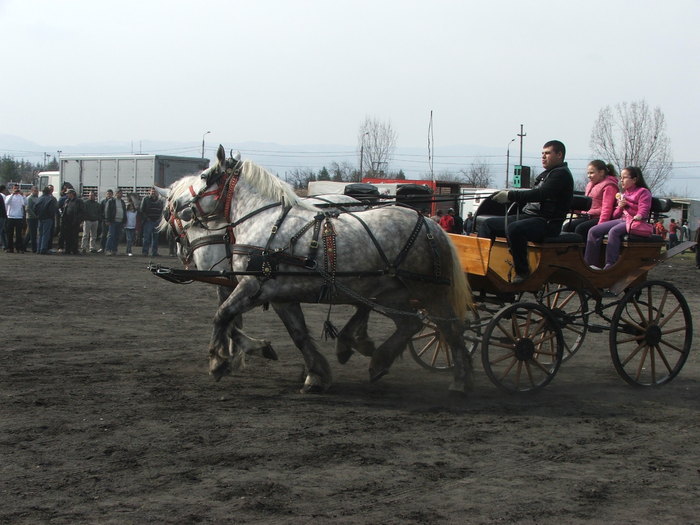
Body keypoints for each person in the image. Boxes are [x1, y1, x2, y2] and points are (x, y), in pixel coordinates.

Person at [478, 140, 574, 284]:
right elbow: (533, 194)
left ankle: (523, 272)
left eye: (547, 153)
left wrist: (510, 195)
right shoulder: (548, 173)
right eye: (542, 153)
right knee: (488, 224)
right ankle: (480, 267)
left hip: (547, 222)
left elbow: (541, 194)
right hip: (531, 217)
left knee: (515, 228)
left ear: (559, 155)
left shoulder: (561, 175)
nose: (543, 157)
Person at [584, 166, 652, 270]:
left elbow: (644, 209)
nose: (621, 180)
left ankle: (610, 265)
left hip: (634, 221)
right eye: (621, 178)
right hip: (622, 220)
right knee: (593, 231)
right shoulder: (623, 194)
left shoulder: (643, 192)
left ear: (634, 179)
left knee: (614, 231)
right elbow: (615, 215)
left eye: (624, 178)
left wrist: (638, 215)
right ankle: (590, 264)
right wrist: (620, 207)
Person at [562, 160, 618, 238]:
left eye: (591, 173)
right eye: (588, 173)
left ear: (601, 172)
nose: (589, 176)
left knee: (580, 229)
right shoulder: (590, 185)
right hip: (586, 216)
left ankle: (582, 249)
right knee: (567, 227)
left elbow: (607, 208)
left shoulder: (609, 186)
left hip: (598, 218)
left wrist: (601, 226)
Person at [140, 187, 164, 257]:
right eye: (152, 191)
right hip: (148, 221)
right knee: (146, 237)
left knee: (155, 238)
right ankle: (145, 252)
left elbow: (162, 210)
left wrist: (159, 219)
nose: (153, 193)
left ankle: (154, 252)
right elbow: (142, 210)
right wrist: (147, 218)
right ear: (149, 192)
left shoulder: (160, 200)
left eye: (155, 192)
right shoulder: (146, 199)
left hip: (157, 221)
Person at [4, 183, 27, 253]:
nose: (16, 190)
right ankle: (10, 248)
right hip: (10, 217)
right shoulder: (9, 196)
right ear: (12, 189)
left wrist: (23, 195)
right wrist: (12, 194)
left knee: (18, 234)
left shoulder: (21, 197)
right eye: (15, 188)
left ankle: (19, 248)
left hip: (19, 217)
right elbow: (7, 202)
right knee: (10, 234)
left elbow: (25, 203)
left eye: (17, 188)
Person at [35, 186, 58, 254]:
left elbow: (35, 208)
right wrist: (51, 216)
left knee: (40, 234)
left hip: (40, 218)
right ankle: (43, 248)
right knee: (46, 234)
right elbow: (53, 209)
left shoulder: (39, 198)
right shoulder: (51, 198)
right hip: (48, 218)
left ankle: (38, 249)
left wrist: (37, 215)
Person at [61, 188, 84, 255]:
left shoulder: (79, 201)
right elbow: (64, 210)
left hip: (75, 221)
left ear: (72, 194)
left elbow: (82, 211)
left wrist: (80, 220)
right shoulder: (67, 201)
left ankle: (74, 250)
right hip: (67, 221)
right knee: (67, 236)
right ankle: (67, 249)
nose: (67, 195)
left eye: (68, 193)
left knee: (74, 236)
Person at [104, 189, 126, 255]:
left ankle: (114, 250)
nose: (120, 194)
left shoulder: (122, 202)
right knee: (111, 236)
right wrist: (107, 220)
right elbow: (107, 211)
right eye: (119, 193)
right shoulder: (111, 201)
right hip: (112, 221)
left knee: (117, 236)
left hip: (120, 222)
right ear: (116, 194)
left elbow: (124, 211)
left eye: (121, 193)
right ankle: (108, 250)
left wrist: (124, 221)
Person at [24, 186, 39, 252]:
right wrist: (35, 215)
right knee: (33, 233)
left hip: (35, 217)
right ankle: (34, 248)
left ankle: (23, 246)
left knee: (30, 233)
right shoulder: (29, 198)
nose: (36, 192)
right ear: (32, 191)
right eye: (35, 191)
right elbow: (28, 208)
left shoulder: (37, 198)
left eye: (37, 191)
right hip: (30, 218)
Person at [0, 184, 7, 250]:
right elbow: (4, 207)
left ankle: (4, 244)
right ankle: (4, 244)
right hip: (2, 215)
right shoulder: (3, 196)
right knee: (2, 231)